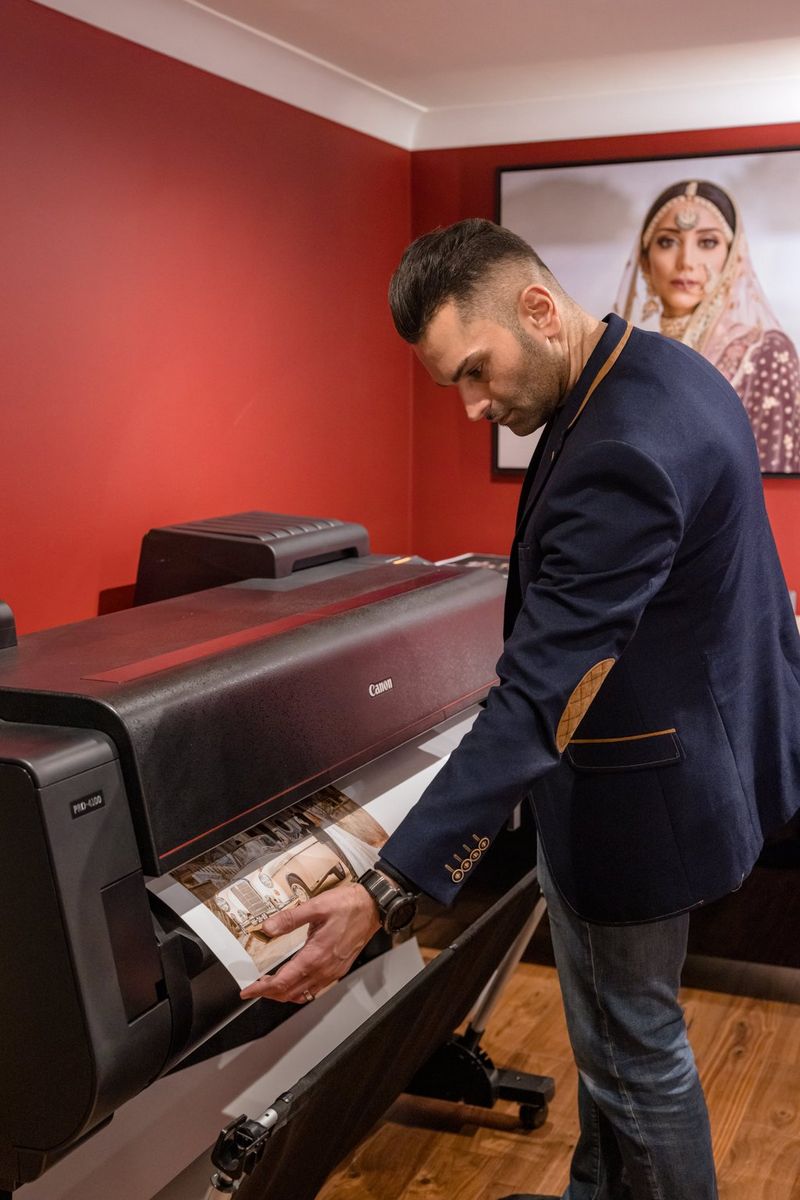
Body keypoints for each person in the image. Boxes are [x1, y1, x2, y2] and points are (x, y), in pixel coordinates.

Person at [241, 218, 800, 1199]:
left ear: (538, 308)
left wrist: (385, 890)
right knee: (613, 1050)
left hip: (639, 801)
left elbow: (544, 692)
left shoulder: (622, 443)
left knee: (634, 1055)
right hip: (705, 755)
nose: (469, 407)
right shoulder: (655, 369)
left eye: (473, 370)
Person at [616, 178, 800, 473]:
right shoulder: (634, 357)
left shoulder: (764, 353)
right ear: (645, 258)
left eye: (708, 242)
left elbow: (774, 482)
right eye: (667, 241)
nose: (686, 261)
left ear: (732, 257)